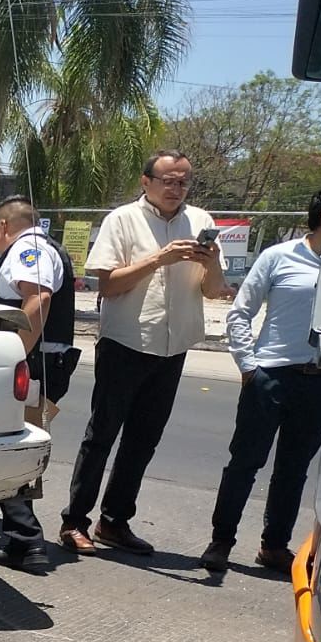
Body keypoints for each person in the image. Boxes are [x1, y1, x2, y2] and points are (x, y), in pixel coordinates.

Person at [58, 150, 231, 555]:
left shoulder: (201, 221)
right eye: (168, 180)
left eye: (184, 181)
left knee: (144, 440)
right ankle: (74, 521)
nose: (176, 188)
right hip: (126, 342)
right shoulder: (123, 219)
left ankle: (115, 521)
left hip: (174, 347)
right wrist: (159, 258)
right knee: (101, 435)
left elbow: (211, 290)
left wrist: (214, 262)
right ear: (146, 181)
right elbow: (109, 286)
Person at [200, 182, 321, 574]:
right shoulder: (279, 257)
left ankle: (274, 546)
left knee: (294, 470)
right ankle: (221, 541)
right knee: (245, 463)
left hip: (318, 381)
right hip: (271, 376)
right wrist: (249, 366)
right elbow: (240, 313)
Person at [0, 196, 79, 573]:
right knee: (10, 446)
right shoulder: (44, 247)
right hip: (41, 364)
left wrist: (14, 354)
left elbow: (38, 297)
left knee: (9, 447)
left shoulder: (26, 248)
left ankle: (26, 542)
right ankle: (17, 530)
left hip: (29, 366)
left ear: (3, 227)